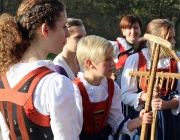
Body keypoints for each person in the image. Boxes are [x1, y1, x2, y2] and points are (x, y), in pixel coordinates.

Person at [0, 0, 81, 140]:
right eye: (64, 26)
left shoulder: (4, 76)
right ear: (46, 30)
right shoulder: (56, 84)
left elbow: (7, 135)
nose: (67, 33)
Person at [73, 35, 153, 140]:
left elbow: (117, 124)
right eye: (107, 59)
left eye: (112, 58)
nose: (113, 63)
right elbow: (69, 130)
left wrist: (139, 120)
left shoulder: (112, 87)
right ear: (90, 63)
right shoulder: (75, 89)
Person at [121, 19, 180, 140]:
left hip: (171, 119)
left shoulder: (178, 59)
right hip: (143, 117)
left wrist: (167, 104)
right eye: (169, 39)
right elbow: (126, 95)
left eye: (173, 37)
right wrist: (147, 96)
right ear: (155, 40)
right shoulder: (135, 59)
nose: (173, 42)